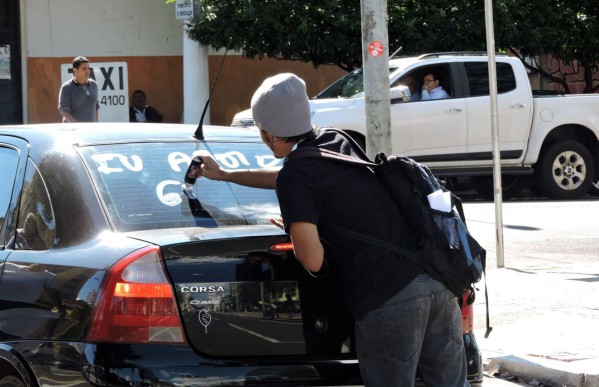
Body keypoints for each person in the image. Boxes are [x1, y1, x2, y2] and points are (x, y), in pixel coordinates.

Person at [190, 73, 469, 386]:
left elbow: (312, 260)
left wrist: (298, 230)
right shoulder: (334, 139)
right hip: (435, 280)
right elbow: (294, 179)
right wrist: (226, 175)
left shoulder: (296, 176)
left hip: (390, 297)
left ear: (268, 134)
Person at [58, 56, 99, 122]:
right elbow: (64, 111)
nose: (87, 71)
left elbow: (96, 107)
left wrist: (96, 124)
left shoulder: (94, 85)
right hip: (72, 130)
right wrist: (76, 125)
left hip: (91, 130)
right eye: (84, 69)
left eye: (88, 68)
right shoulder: (66, 87)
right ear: (75, 70)